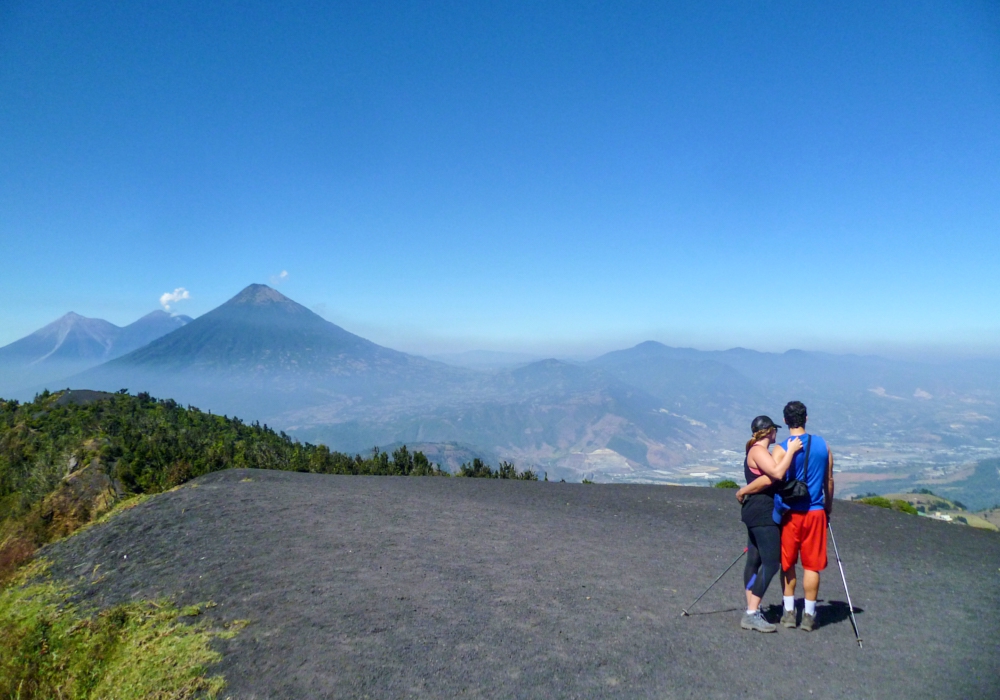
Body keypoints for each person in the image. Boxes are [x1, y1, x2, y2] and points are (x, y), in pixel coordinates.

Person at [733, 415, 802, 633]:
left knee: (754, 560)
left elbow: (766, 479)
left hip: (755, 511)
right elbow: (777, 473)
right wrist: (791, 451)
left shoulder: (755, 451)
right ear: (769, 431)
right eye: (775, 431)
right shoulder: (758, 451)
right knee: (771, 563)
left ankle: (752, 607)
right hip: (762, 513)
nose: (776, 434)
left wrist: (745, 490)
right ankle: (752, 613)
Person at [771, 400, 834, 632]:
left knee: (788, 563)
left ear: (785, 421)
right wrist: (828, 507)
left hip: (790, 513)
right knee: (812, 566)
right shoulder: (823, 446)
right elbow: (829, 480)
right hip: (815, 512)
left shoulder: (781, 448)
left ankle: (788, 612)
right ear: (806, 418)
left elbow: (775, 479)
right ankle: (809, 615)